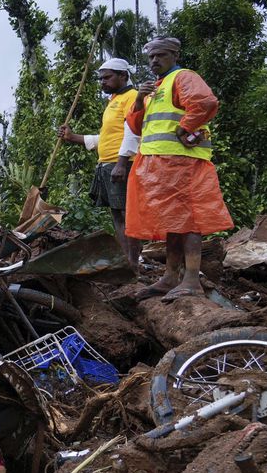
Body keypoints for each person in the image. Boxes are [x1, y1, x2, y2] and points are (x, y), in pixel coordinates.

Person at [125, 37, 233, 301]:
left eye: (160, 55)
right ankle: (171, 276)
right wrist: (139, 100)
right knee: (174, 220)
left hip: (182, 162)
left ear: (174, 55)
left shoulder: (183, 77)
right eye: (151, 57)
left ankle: (192, 279)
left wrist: (184, 127)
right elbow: (138, 127)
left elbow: (204, 103)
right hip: (161, 164)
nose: (154, 61)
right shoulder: (155, 88)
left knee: (189, 219)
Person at [58, 58, 141, 267]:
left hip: (123, 163)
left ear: (123, 76)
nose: (102, 82)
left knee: (126, 215)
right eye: (100, 78)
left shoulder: (132, 97)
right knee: (118, 216)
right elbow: (107, 137)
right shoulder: (114, 100)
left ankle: (132, 262)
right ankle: (125, 260)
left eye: (107, 77)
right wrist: (73, 137)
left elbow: (134, 132)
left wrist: (122, 163)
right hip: (109, 164)